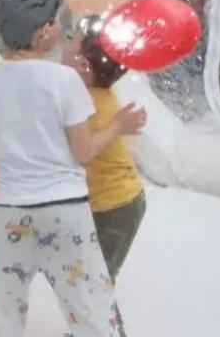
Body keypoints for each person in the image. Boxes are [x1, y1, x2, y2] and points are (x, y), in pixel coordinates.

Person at [0, 0, 146, 337]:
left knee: (7, 315)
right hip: (65, 211)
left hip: (10, 213)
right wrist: (116, 127)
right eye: (54, 20)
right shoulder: (64, 80)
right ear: (40, 32)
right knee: (91, 309)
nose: (60, 27)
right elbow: (83, 152)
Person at [60, 16, 146, 285]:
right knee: (87, 275)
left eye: (71, 42)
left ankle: (102, 326)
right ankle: (91, 323)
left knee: (95, 280)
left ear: (83, 65)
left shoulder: (87, 103)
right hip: (106, 203)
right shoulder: (88, 92)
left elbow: (82, 151)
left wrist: (117, 126)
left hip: (117, 207)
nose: (65, 44)